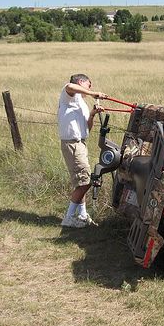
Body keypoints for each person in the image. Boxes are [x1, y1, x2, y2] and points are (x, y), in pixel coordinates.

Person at [58, 73, 108, 228]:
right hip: (73, 144)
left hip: (80, 143)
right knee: (85, 181)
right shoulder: (69, 95)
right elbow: (69, 86)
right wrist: (93, 94)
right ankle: (68, 218)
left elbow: (87, 128)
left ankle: (81, 214)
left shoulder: (82, 104)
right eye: (89, 84)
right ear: (81, 82)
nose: (90, 87)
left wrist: (92, 114)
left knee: (82, 181)